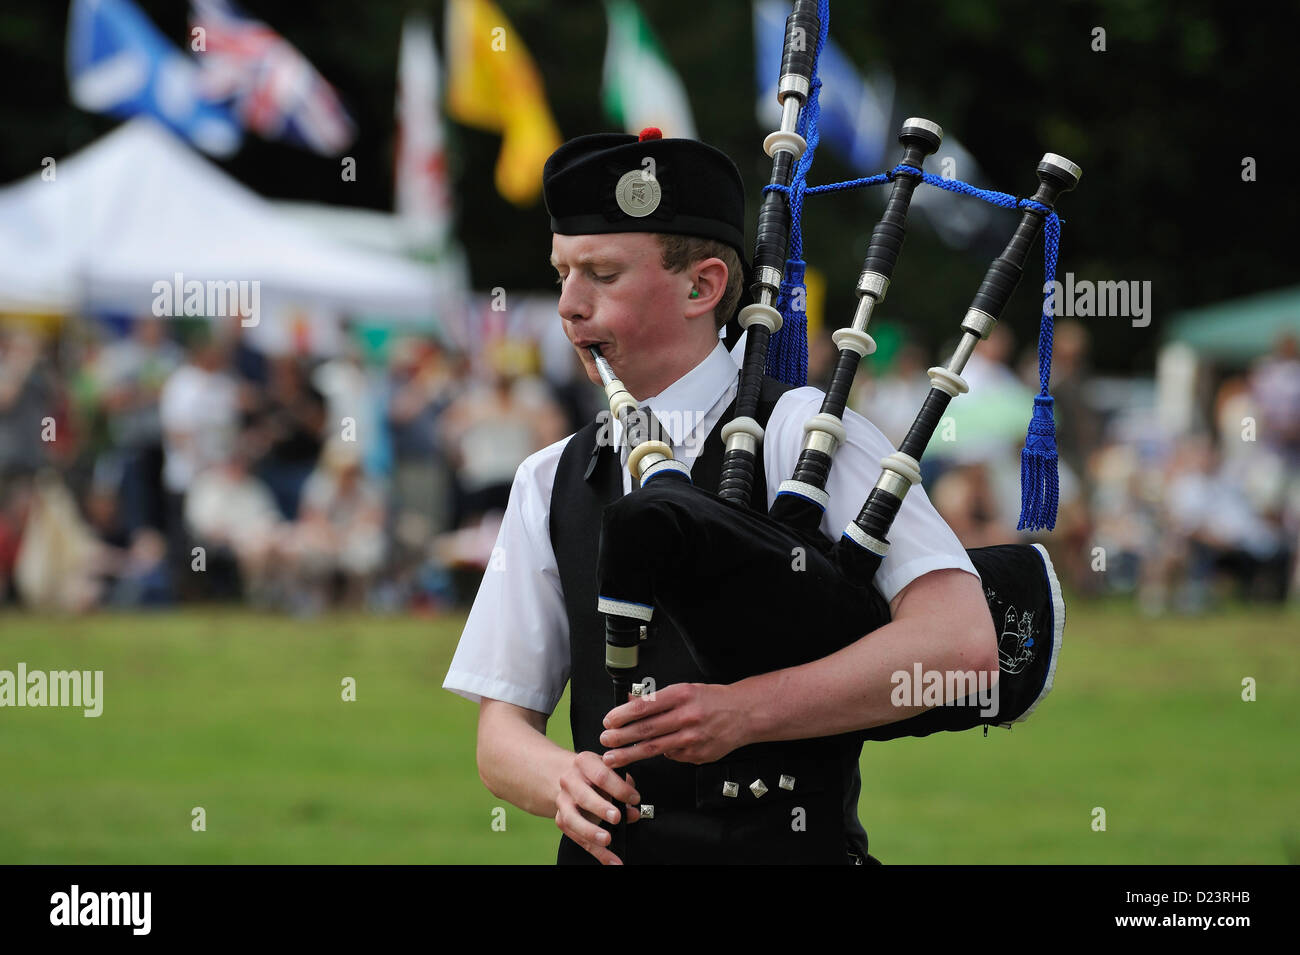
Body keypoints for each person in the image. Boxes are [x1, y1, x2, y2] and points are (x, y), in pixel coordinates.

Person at [443, 131, 996, 865]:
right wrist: (558, 778)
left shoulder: (806, 433)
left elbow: (962, 647)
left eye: (601, 274)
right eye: (562, 273)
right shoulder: (550, 477)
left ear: (701, 287)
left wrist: (745, 713)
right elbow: (501, 731)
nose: (568, 307)